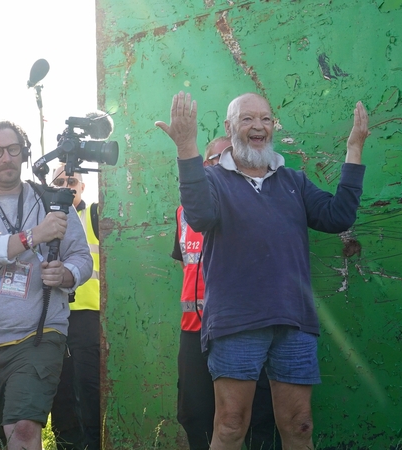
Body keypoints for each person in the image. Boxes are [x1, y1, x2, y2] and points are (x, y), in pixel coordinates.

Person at [156, 92, 370, 450]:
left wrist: (354, 149)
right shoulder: (214, 181)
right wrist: (186, 147)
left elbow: (338, 216)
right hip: (235, 321)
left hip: (293, 320)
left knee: (299, 425)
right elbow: (200, 215)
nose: (258, 126)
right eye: (247, 119)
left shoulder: (294, 181)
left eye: (266, 119)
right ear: (229, 127)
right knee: (230, 425)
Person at [0, 121, 93, 450]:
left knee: (23, 429)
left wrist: (67, 275)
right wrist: (32, 237)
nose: (6, 158)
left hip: (40, 334)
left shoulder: (52, 202)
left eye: (13, 149)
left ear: (24, 154)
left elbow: (82, 257)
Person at [172, 136, 281, 450]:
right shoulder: (184, 213)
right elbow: (188, 266)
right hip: (194, 330)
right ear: (205, 165)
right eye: (216, 158)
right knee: (194, 414)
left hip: (241, 329)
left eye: (229, 157)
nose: (223, 163)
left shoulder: (254, 205)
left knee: (256, 418)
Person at [49, 165, 101, 450]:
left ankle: (94, 443)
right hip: (55, 314)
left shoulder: (94, 214)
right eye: (60, 181)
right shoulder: (45, 215)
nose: (67, 185)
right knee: (60, 388)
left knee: (88, 386)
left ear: (83, 187)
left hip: (87, 317)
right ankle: (65, 443)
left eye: (73, 181)